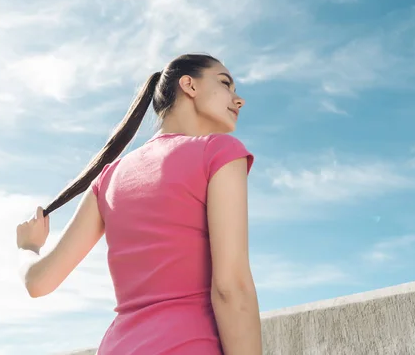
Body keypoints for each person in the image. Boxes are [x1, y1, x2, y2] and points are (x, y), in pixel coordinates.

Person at [16, 54, 263, 355]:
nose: (239, 100)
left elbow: (38, 282)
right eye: (226, 84)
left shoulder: (107, 179)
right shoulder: (219, 153)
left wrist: (27, 248)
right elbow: (231, 289)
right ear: (189, 85)